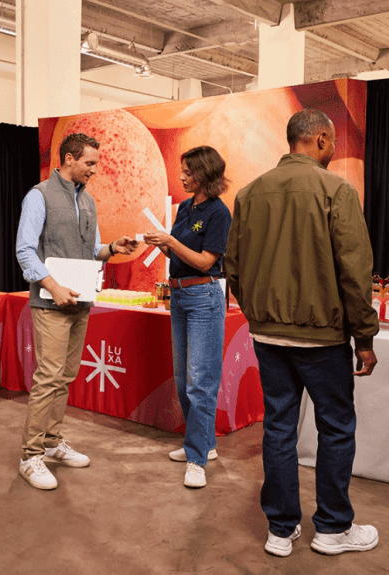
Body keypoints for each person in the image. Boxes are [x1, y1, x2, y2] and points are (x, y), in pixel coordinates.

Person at [223, 109, 380, 557]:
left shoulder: (250, 193)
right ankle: (332, 529)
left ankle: (280, 528)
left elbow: (232, 264)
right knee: (334, 428)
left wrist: (257, 313)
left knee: (277, 428)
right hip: (322, 338)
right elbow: (355, 270)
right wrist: (364, 337)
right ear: (324, 140)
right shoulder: (336, 189)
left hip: (268, 335)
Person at [14, 132, 138, 490]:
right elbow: (25, 251)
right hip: (51, 303)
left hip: (80, 301)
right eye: (89, 163)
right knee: (48, 376)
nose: (94, 170)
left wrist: (112, 247)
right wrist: (51, 286)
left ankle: (52, 442)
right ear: (69, 159)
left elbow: (91, 249)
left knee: (66, 377)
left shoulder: (89, 202)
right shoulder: (38, 197)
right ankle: (30, 455)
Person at [143, 146, 231, 489]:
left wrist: (170, 242)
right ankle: (203, 445)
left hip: (205, 296)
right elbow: (181, 251)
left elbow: (207, 261)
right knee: (183, 378)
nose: (181, 176)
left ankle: (196, 460)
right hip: (179, 294)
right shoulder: (185, 209)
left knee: (200, 381)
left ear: (204, 174)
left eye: (188, 171)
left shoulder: (219, 213)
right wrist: (162, 243)